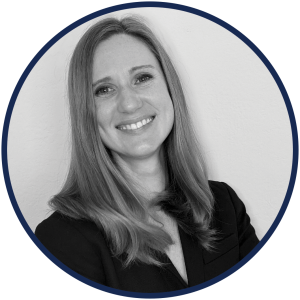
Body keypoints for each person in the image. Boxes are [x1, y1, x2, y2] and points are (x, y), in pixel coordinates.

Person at [35, 15, 259, 292]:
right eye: (104, 89)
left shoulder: (224, 204)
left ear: (170, 89)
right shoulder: (59, 240)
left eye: (142, 78)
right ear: (86, 113)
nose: (129, 103)